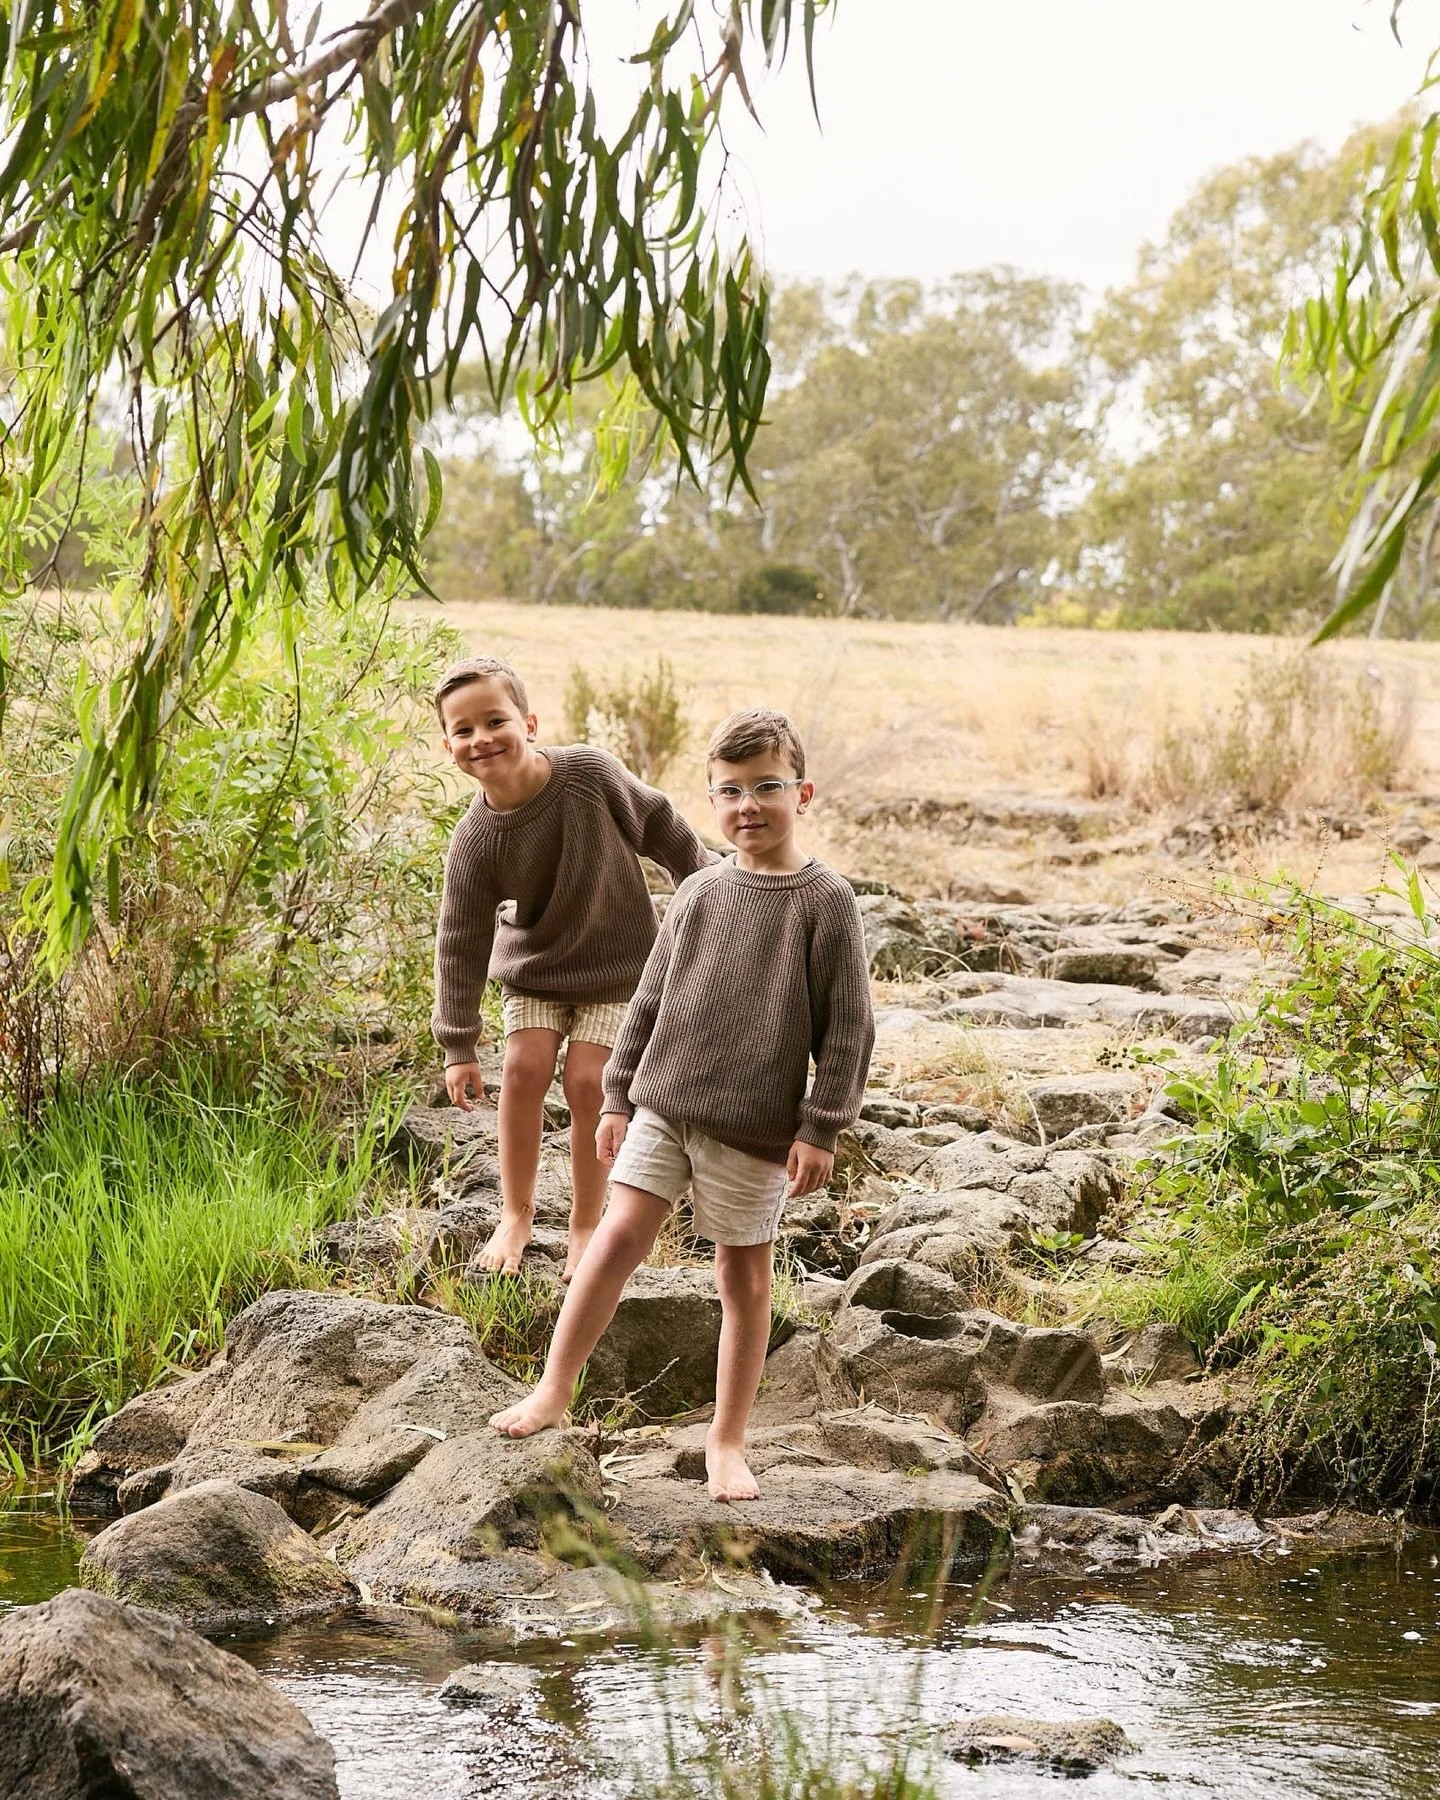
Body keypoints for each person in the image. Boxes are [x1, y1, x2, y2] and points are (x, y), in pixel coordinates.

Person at [490, 707, 875, 1502]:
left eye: (767, 787)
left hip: (755, 1127)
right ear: (711, 801)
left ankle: (726, 1441)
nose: (748, 805)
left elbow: (848, 1028)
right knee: (616, 1237)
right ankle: (555, 1389)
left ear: (802, 794)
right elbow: (648, 1002)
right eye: (729, 791)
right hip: (664, 1105)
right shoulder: (698, 891)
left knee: (743, 1277)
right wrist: (617, 1097)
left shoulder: (826, 901)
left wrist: (821, 1126)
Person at [431, 656, 715, 1282]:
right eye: (463, 729)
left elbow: (662, 826)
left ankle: (587, 1224)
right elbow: (460, 941)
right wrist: (458, 1045)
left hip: (620, 968)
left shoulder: (588, 776)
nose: (482, 739)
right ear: (448, 747)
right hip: (536, 969)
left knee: (590, 1081)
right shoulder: (476, 839)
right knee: (523, 1067)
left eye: (495, 721)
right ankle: (516, 1215)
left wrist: (716, 888)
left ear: (529, 724)